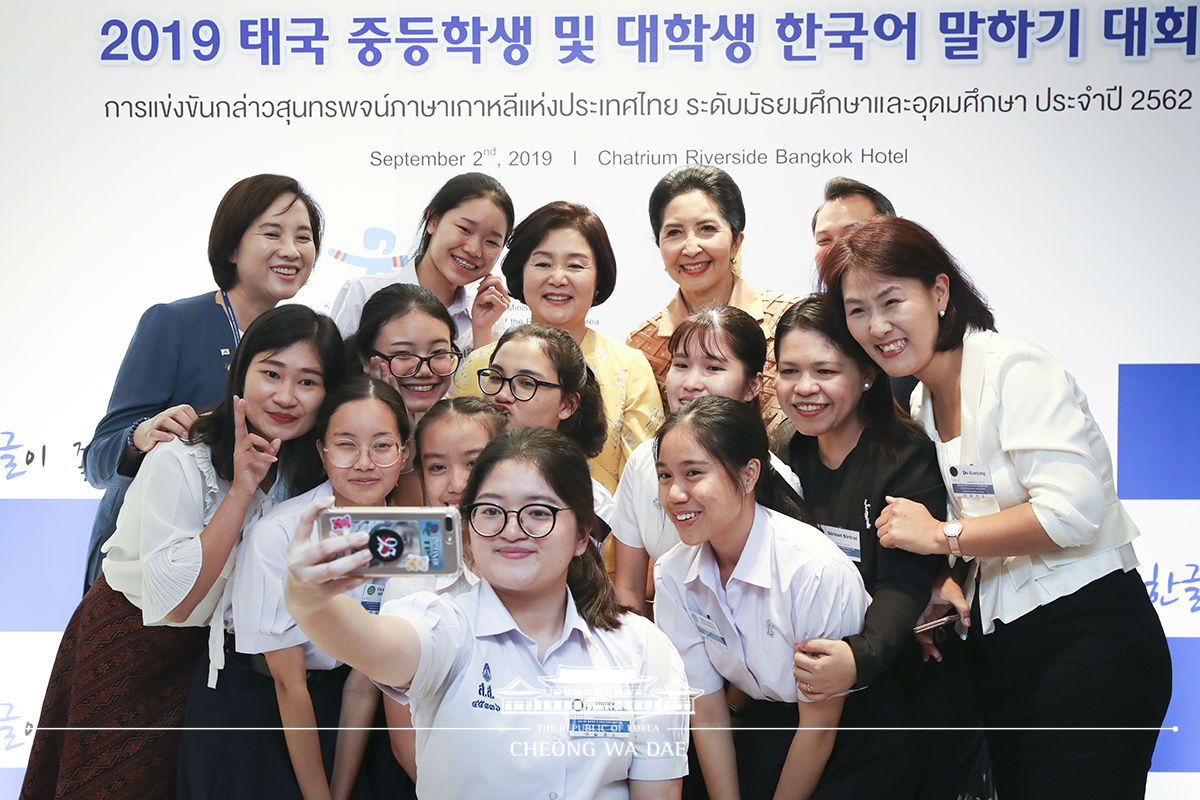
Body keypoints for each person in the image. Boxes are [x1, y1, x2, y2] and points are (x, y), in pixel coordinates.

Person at [820, 215, 1172, 799]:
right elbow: (987, 523)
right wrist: (951, 582)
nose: (877, 325)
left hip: (1088, 641)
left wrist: (941, 538)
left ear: (939, 292)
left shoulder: (1015, 368)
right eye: (857, 310)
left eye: (891, 300)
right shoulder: (923, 400)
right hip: (1006, 650)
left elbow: (1070, 513)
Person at [23, 304, 342, 800]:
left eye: (307, 382)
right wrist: (240, 492)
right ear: (240, 371)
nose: (285, 396)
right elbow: (175, 600)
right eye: (271, 373)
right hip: (127, 651)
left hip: (203, 670)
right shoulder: (179, 456)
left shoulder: (305, 471)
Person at [285, 427, 691, 799]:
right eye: (491, 511)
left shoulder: (642, 649)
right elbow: (376, 645)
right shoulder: (444, 624)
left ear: (582, 535)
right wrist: (312, 601)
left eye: (538, 512)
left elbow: (657, 790)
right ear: (469, 526)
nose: (511, 530)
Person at [777, 295, 987, 799]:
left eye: (825, 370)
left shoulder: (906, 456)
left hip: (903, 694)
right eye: (789, 370)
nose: (805, 388)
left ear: (867, 375)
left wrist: (859, 657)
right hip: (808, 696)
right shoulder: (782, 450)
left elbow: (904, 582)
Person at [82, 173, 324, 592]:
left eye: (303, 237)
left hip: (250, 573)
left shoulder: (309, 341)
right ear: (232, 247)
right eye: (272, 233)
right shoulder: (174, 323)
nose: (290, 250)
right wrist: (140, 436)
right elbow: (98, 461)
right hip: (152, 572)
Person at [652, 395, 875, 799]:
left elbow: (821, 725)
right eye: (665, 476)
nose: (675, 494)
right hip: (766, 726)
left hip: (851, 736)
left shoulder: (810, 571)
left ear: (750, 474)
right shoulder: (673, 574)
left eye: (694, 473)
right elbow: (706, 708)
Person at [209, 376, 409, 799]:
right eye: (346, 444)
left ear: (404, 453)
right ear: (321, 450)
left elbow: (364, 681)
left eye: (381, 445)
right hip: (262, 707)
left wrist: (338, 790)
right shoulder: (280, 533)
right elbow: (288, 685)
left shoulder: (409, 536)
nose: (364, 463)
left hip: (344, 705)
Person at [453, 201, 663, 493]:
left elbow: (645, 485)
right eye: (542, 263)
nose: (558, 278)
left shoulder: (629, 367)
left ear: (598, 277)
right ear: (521, 273)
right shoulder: (479, 365)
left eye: (575, 265)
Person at [611, 305, 801, 614]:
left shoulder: (774, 478)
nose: (691, 383)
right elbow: (628, 590)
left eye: (713, 368)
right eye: (681, 364)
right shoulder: (644, 462)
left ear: (753, 385)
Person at [374, 397, 509, 792]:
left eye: (474, 463)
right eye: (437, 467)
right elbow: (405, 738)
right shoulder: (411, 571)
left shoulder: (543, 555)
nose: (457, 484)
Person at [627, 165, 799, 438]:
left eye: (707, 229)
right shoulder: (641, 346)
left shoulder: (790, 322)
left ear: (736, 242)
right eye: (674, 232)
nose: (691, 247)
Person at [330, 172, 515, 351]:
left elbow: (488, 383)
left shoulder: (489, 317)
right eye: (465, 229)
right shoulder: (363, 294)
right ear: (432, 221)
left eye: (491, 242)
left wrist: (481, 332)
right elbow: (337, 380)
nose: (474, 249)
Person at [460, 324, 617, 526]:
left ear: (568, 405)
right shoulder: (457, 480)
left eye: (527, 383)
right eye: (496, 378)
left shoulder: (592, 503)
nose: (502, 394)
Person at [346, 282, 462, 505]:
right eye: (403, 354)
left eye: (438, 353)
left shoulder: (459, 423)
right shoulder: (345, 431)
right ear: (365, 358)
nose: (425, 371)